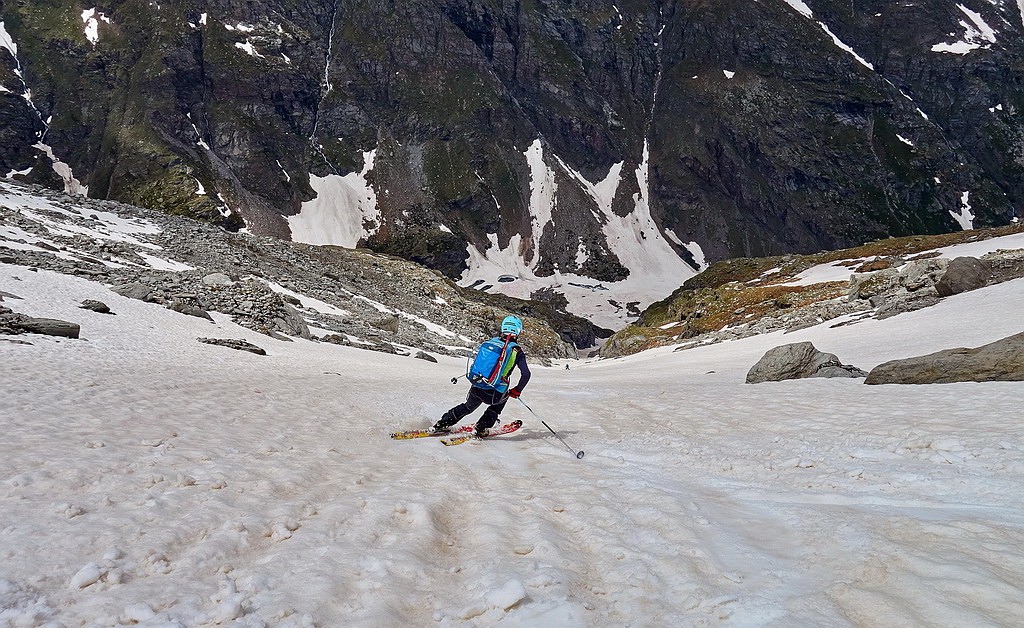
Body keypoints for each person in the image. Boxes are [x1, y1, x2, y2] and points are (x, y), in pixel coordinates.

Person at [433, 315, 531, 436]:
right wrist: (517, 390)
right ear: (518, 330)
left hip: (478, 384)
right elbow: (526, 374)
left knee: (468, 406)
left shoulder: (491, 342)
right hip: (495, 392)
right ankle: (480, 428)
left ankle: (442, 423)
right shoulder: (517, 351)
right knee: (498, 405)